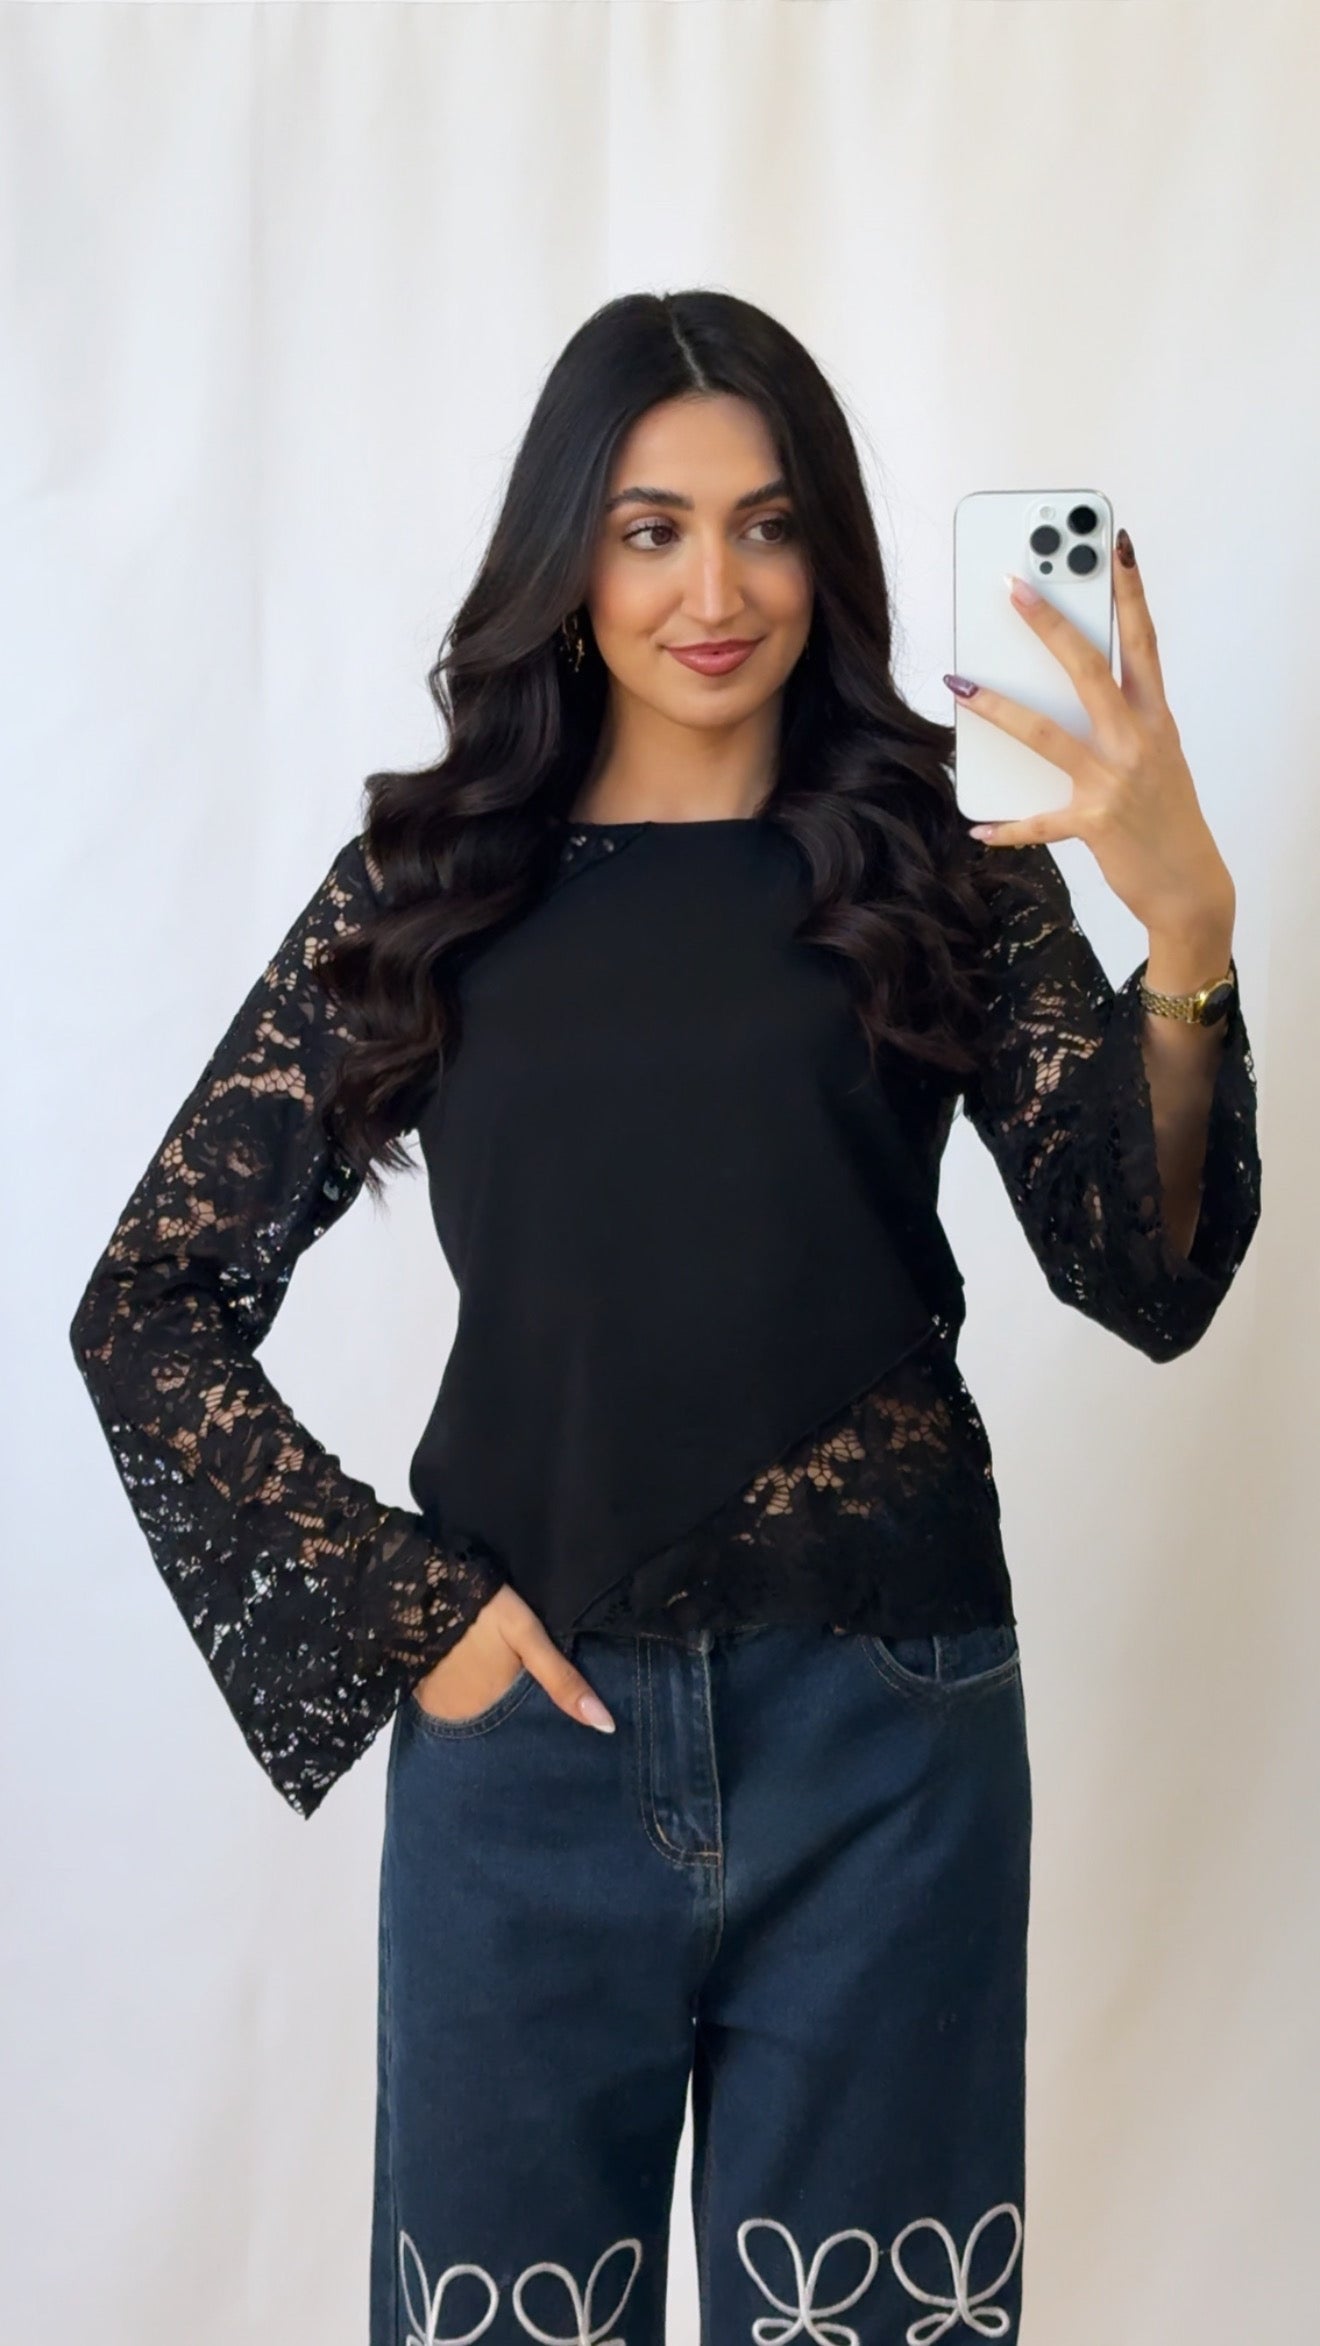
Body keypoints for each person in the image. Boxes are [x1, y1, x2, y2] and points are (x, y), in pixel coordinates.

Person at [70, 289, 1260, 2346]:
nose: (717, 590)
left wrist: (1188, 928)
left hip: (887, 1733)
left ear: (829, 551)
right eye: (651, 529)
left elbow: (1145, 1272)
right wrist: (409, 1609)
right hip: (526, 1747)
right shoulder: (432, 886)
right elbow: (150, 1306)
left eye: (768, 525)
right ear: (569, 555)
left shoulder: (948, 869)